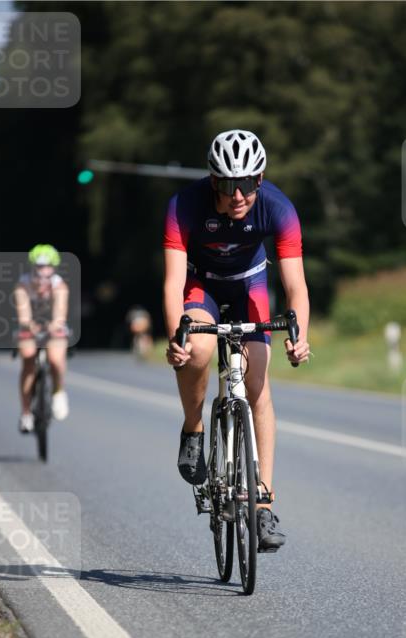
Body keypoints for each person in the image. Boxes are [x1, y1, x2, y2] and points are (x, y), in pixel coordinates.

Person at [163, 129, 310, 551]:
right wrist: (177, 335)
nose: (238, 194)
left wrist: (301, 335)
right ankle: (193, 429)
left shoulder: (278, 208)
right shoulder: (183, 206)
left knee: (257, 385)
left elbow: (296, 286)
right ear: (214, 182)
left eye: (247, 183)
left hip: (250, 285)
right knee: (199, 351)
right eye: (229, 185)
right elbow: (173, 282)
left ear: (260, 180)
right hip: (201, 285)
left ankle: (262, 504)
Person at [14, 245, 70, 432]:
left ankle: (58, 391)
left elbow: (60, 313)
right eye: (39, 267)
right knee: (29, 360)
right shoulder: (23, 285)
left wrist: (55, 325)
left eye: (47, 267)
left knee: (55, 358)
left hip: (52, 325)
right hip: (30, 325)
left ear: (53, 269)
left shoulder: (59, 286)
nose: (43, 272)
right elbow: (23, 315)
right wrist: (29, 325)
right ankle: (26, 413)